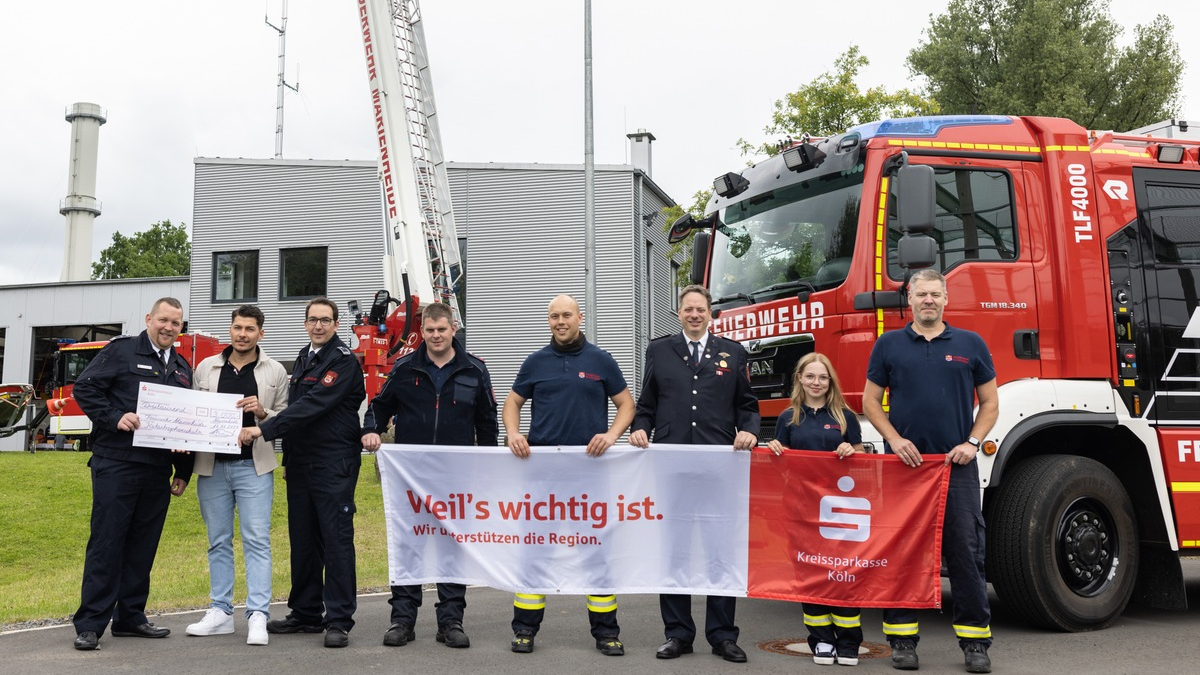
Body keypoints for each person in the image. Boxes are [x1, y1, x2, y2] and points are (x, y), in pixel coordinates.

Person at [863, 268, 998, 674]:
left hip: (952, 469)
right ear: (909, 300)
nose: (928, 301)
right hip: (904, 469)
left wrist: (971, 444)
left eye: (935, 295)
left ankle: (976, 644)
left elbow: (989, 404)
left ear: (945, 299)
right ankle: (902, 640)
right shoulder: (888, 345)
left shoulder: (971, 344)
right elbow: (871, 402)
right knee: (902, 555)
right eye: (921, 294)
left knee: (965, 553)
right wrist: (895, 440)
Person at [629, 284, 760, 664]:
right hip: (671, 469)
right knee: (675, 551)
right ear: (679, 312)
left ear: (710, 313)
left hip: (719, 468)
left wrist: (750, 428)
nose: (694, 315)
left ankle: (722, 635)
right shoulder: (658, 350)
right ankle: (678, 633)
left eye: (700, 309)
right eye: (688, 309)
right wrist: (640, 427)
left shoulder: (733, 353)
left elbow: (747, 406)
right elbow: (646, 404)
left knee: (721, 550)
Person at [503, 294, 635, 656]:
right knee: (535, 552)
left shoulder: (601, 360)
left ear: (580, 317)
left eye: (566, 315)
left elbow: (626, 404)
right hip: (541, 474)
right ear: (549, 321)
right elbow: (512, 403)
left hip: (589, 474)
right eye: (554, 316)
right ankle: (524, 630)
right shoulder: (535, 362)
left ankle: (606, 633)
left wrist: (611, 436)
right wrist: (514, 433)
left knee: (595, 553)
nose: (560, 321)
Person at [361, 302, 498, 650]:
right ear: (422, 332)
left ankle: (450, 621)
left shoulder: (474, 370)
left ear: (453, 329)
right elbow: (380, 406)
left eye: (442, 329)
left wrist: (490, 465)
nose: (436, 336)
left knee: (452, 547)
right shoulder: (405, 367)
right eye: (430, 330)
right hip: (412, 477)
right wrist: (372, 430)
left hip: (458, 478)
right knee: (410, 545)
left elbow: (487, 422)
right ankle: (402, 620)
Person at [239, 298, 366, 648]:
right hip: (302, 465)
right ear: (305, 323)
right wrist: (289, 457)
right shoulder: (304, 356)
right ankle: (307, 612)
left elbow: (312, 407)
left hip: (333, 464)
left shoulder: (342, 361)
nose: (318, 326)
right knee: (304, 539)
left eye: (325, 320)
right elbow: (296, 410)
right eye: (313, 320)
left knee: (336, 540)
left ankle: (338, 619)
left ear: (337, 324)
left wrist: (263, 429)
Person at [70, 297, 194, 651]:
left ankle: (130, 617)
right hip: (117, 464)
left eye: (176, 323)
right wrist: (115, 417)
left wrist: (183, 470)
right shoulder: (121, 351)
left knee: (143, 545)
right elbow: (85, 388)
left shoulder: (183, 368)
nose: (169, 327)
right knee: (108, 542)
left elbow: (185, 423)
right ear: (149, 319)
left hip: (157, 470)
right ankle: (91, 623)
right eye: (163, 320)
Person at [185, 305, 289, 645]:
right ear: (230, 329)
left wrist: (263, 412)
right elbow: (191, 414)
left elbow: (287, 419)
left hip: (254, 468)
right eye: (237, 327)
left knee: (256, 540)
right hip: (212, 467)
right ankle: (221, 612)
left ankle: (258, 614)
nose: (242, 334)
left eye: (249, 328)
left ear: (261, 333)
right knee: (217, 541)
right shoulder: (206, 368)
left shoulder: (275, 372)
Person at [767, 352, 864, 667]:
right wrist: (775, 450)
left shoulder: (845, 417)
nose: (816, 382)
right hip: (802, 509)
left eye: (822, 377)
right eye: (810, 376)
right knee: (810, 573)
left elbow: (862, 458)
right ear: (800, 380)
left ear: (830, 381)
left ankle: (849, 643)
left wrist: (853, 450)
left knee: (842, 572)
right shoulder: (787, 418)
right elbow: (779, 465)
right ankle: (821, 641)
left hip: (840, 511)